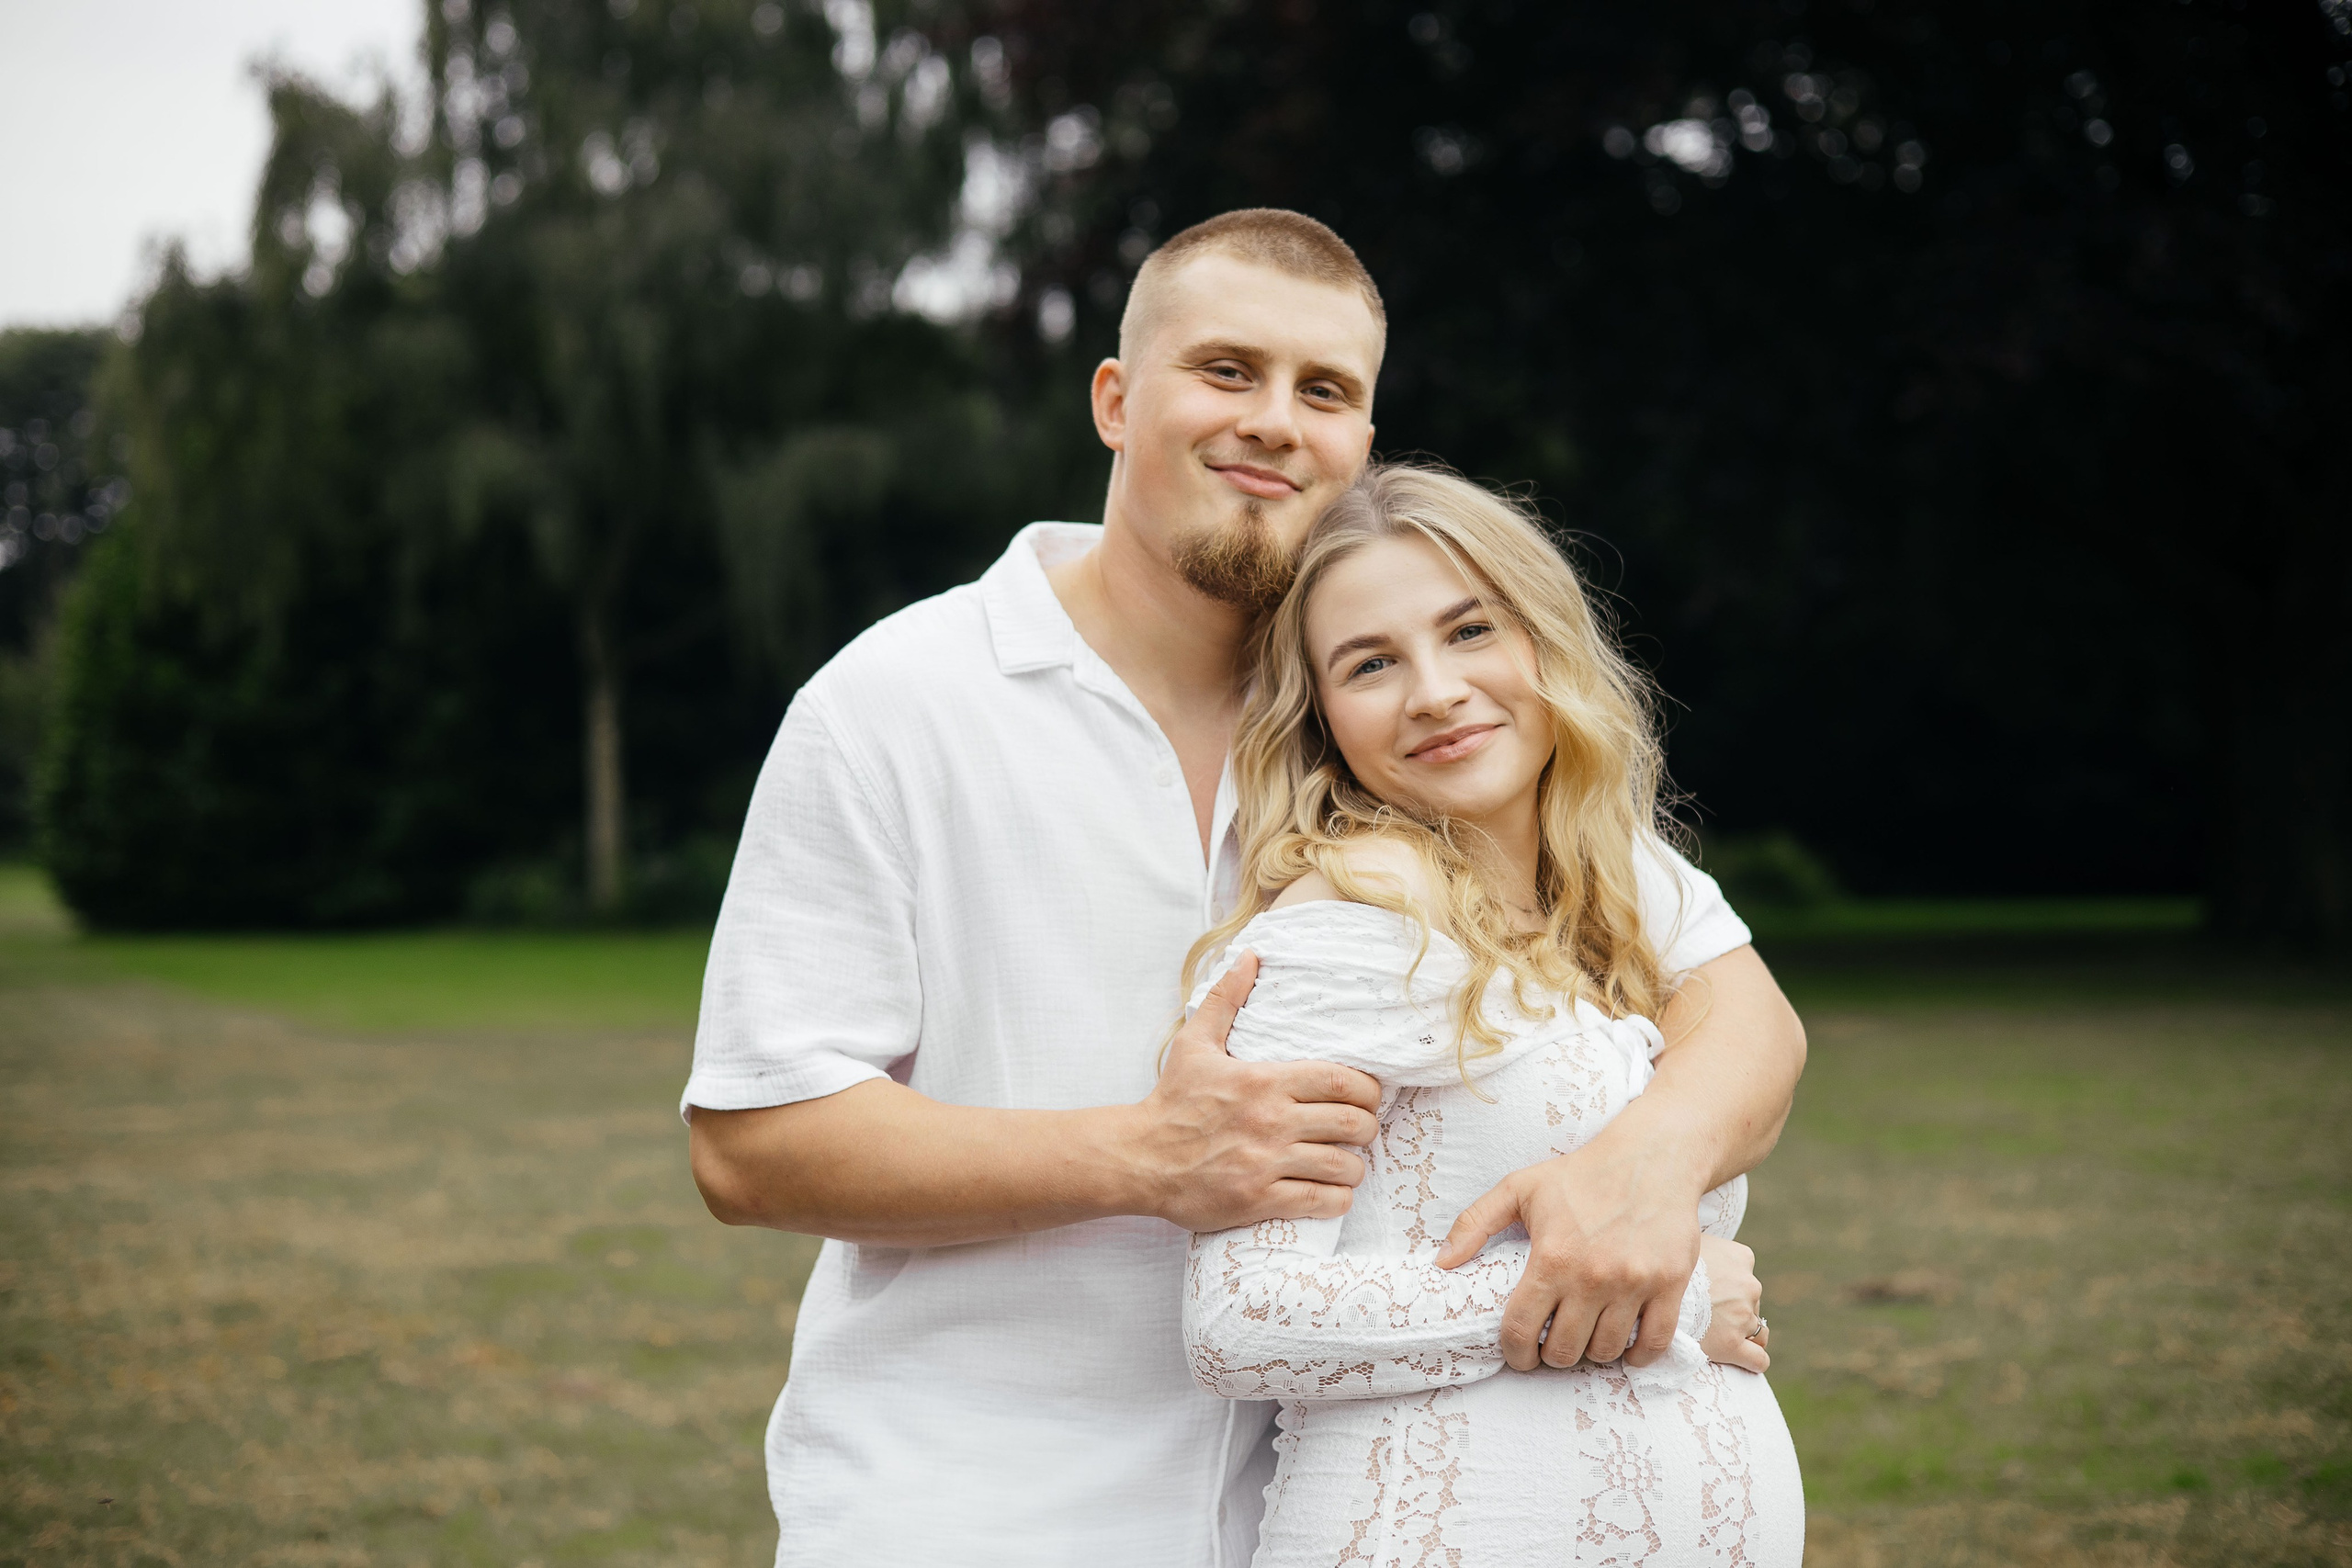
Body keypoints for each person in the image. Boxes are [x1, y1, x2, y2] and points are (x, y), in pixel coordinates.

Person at [682, 209, 1807, 1566]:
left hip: (1317, 1505)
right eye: (1227, 370)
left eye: (1323, 390)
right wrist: (1145, 1156)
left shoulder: (1398, 728)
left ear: (1363, 446)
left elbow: (1743, 1015)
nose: (1275, 420)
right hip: (971, 1508)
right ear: (1114, 398)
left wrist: (1644, 1185)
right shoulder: (898, 705)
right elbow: (751, 1142)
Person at [1182, 461, 1800, 1564]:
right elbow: (1244, 1319)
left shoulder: (1612, 879)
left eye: (1469, 632)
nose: (1433, 691)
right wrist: (1666, 1294)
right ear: (1321, 717)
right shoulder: (1348, 921)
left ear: (1544, 643)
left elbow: (1765, 1038)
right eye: (1371, 663)